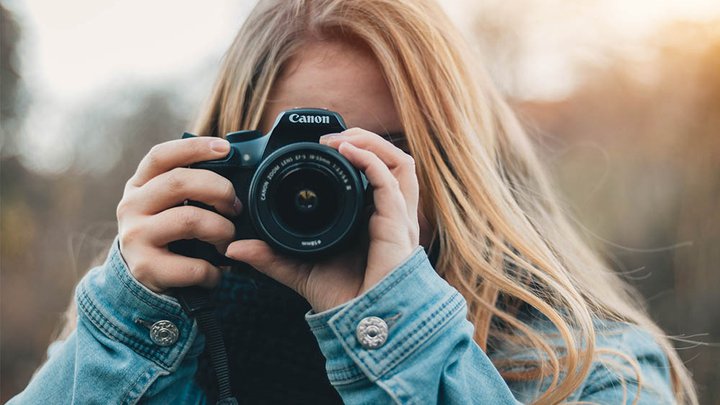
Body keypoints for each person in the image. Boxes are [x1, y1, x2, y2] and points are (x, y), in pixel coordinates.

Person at [10, 0, 698, 403]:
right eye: (294, 161)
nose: (326, 188)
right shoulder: (163, 336)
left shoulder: (589, 368)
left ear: (456, 166)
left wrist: (397, 330)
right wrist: (125, 326)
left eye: (382, 153)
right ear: (229, 158)